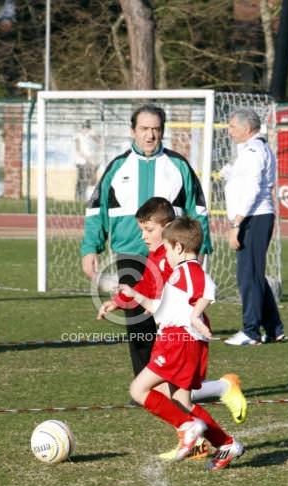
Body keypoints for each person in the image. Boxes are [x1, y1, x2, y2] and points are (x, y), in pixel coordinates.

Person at [81, 103, 212, 377]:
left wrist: (200, 248)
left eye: (156, 129)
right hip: (130, 254)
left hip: (171, 255)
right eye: (144, 129)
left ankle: (179, 380)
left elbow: (198, 210)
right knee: (138, 320)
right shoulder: (117, 167)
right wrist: (90, 247)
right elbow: (96, 210)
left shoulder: (178, 166)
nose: (150, 135)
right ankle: (147, 383)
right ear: (133, 131)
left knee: (172, 321)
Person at [97, 197, 247, 433]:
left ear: (167, 229)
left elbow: (204, 286)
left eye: (148, 230)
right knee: (174, 395)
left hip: (185, 334)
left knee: (163, 391)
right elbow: (147, 286)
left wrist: (194, 313)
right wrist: (118, 301)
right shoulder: (156, 257)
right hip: (171, 332)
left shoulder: (177, 258)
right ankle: (205, 431)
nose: (143, 236)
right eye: (142, 230)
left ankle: (220, 394)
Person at [119, 216, 244, 470]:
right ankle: (227, 443)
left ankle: (187, 427)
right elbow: (161, 310)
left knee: (138, 390)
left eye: (166, 249)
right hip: (179, 341)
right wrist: (136, 295)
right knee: (182, 404)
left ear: (178, 247)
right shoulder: (179, 274)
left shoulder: (188, 270)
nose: (165, 255)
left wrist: (196, 314)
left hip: (179, 342)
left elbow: (209, 287)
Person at [222, 108, 284, 346]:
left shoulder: (253, 151)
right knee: (253, 273)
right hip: (254, 216)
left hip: (254, 217)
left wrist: (236, 224)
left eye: (232, 127)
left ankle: (251, 331)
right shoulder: (251, 150)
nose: (230, 131)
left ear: (246, 128)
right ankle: (274, 327)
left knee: (248, 275)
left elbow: (252, 190)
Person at [74, 120, 99, 201]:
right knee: (81, 180)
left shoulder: (90, 135)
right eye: (85, 128)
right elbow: (78, 149)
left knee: (89, 180)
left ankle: (85, 198)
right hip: (81, 161)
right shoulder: (78, 136)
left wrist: (93, 135)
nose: (86, 130)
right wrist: (86, 158)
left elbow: (99, 141)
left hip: (89, 162)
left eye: (88, 128)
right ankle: (79, 198)